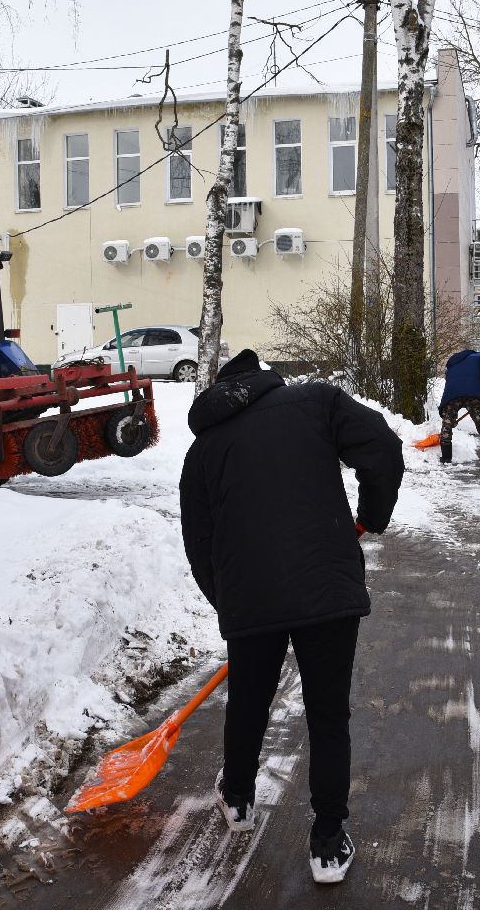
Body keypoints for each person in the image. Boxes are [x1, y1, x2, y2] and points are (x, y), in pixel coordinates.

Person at [179, 349, 404, 884]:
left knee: (250, 701)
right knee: (328, 715)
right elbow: (383, 449)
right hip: (326, 590)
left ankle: (236, 799)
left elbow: (199, 544)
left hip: (250, 597)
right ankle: (327, 841)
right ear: (261, 381)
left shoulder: (203, 450)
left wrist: (229, 601)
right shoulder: (316, 403)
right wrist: (372, 517)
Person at [437, 348, 480, 467]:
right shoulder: (479, 357)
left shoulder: (453, 361)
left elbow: (448, 376)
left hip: (452, 393)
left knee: (447, 425)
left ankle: (446, 458)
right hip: (473, 394)